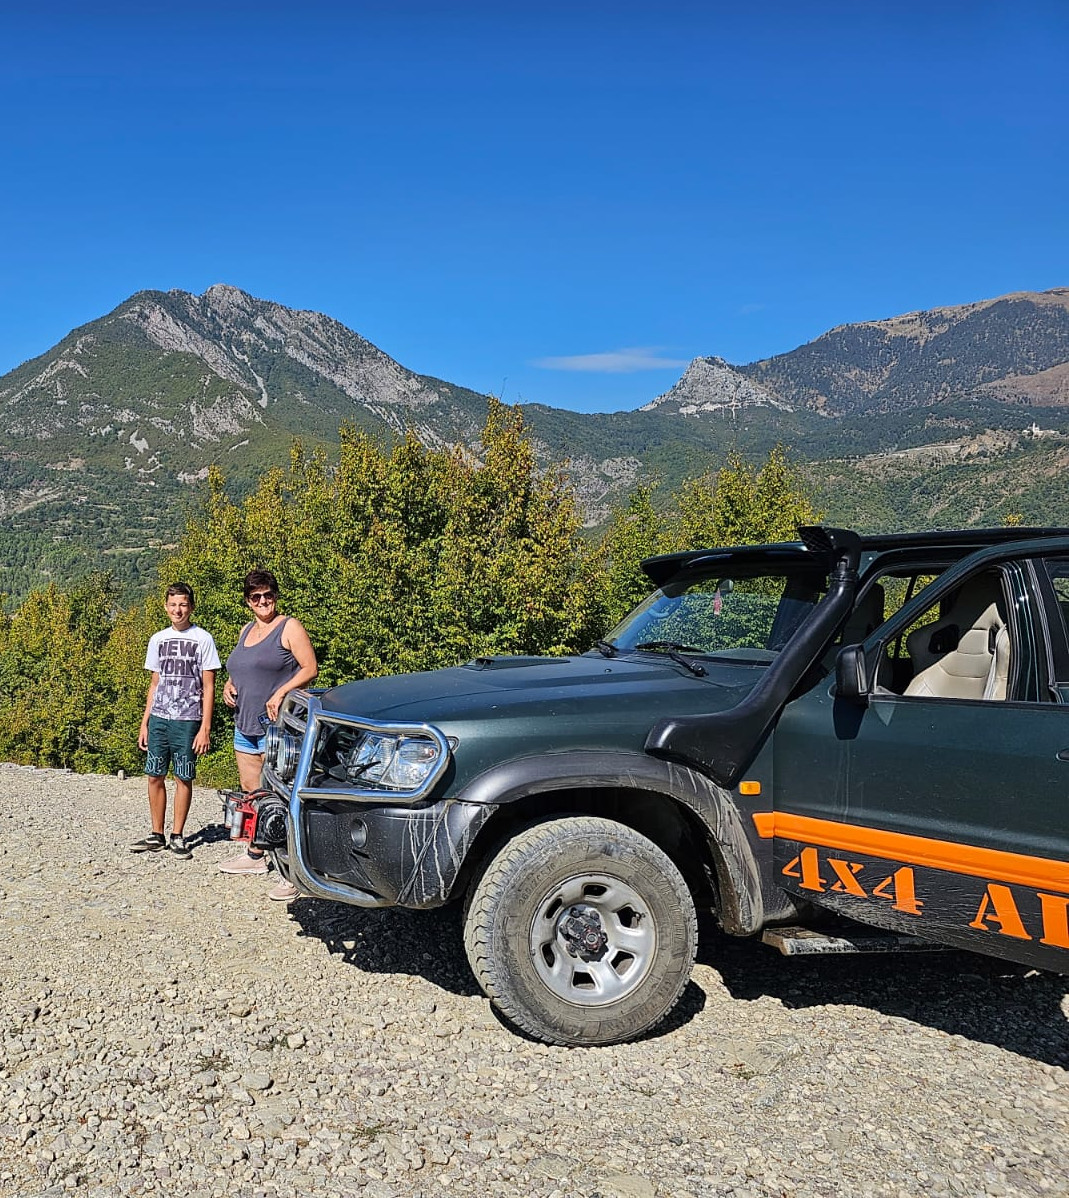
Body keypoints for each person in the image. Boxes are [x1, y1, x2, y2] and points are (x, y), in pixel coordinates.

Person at [219, 569, 318, 899]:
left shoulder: (289, 627)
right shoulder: (247, 630)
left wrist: (280, 693)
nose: (263, 601)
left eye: (268, 595)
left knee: (285, 797)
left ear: (275, 595)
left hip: (278, 728)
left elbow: (310, 668)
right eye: (256, 597)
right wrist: (229, 686)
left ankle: (294, 871)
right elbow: (239, 669)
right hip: (245, 724)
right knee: (251, 793)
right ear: (248, 601)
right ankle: (256, 854)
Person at [131, 583, 220, 858]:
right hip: (160, 717)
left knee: (183, 776)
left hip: (188, 719)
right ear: (166, 607)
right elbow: (154, 682)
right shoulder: (157, 639)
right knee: (154, 774)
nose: (177, 610)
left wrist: (205, 727)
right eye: (173, 605)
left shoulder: (203, 639)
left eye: (183, 604)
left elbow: (209, 686)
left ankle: (178, 835)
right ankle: (156, 833)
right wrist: (145, 722)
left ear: (191, 607)